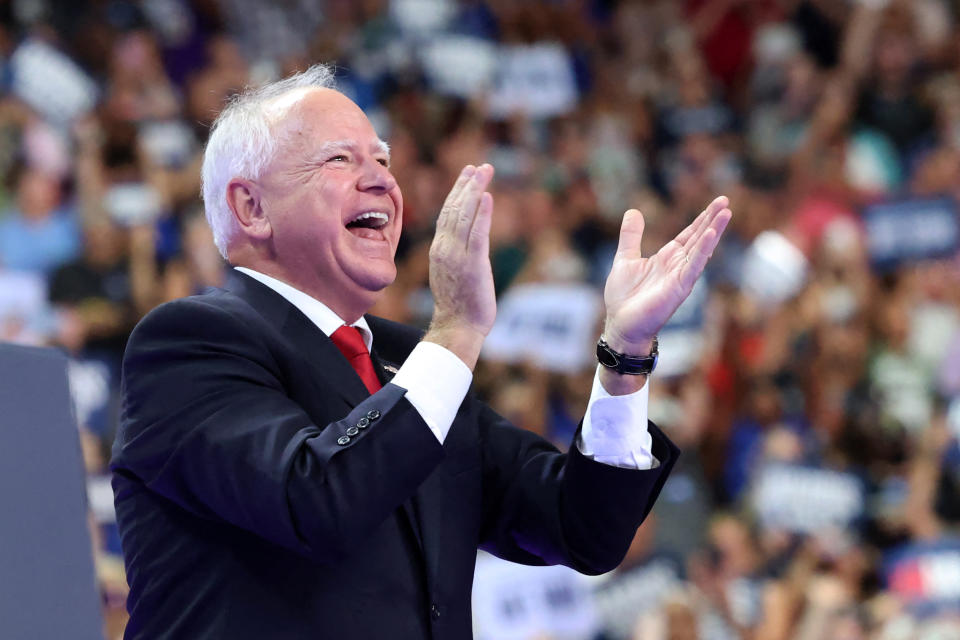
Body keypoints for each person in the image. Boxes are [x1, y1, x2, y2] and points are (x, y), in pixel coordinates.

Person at [110, 64, 732, 639]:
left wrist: (624, 353)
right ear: (251, 207)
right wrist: (457, 331)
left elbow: (584, 531)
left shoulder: (415, 361)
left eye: (382, 158)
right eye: (339, 159)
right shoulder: (188, 345)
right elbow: (317, 501)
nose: (382, 177)